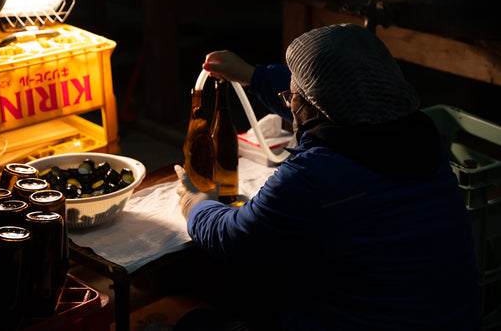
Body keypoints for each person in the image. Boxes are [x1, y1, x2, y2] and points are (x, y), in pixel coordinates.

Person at [174, 23, 482, 330]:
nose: (288, 101)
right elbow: (335, 96)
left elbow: (235, 238)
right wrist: (252, 75)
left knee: (195, 322)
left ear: (314, 106)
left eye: (290, 96)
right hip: (457, 321)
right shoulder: (423, 139)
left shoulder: (312, 176)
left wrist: (196, 204)